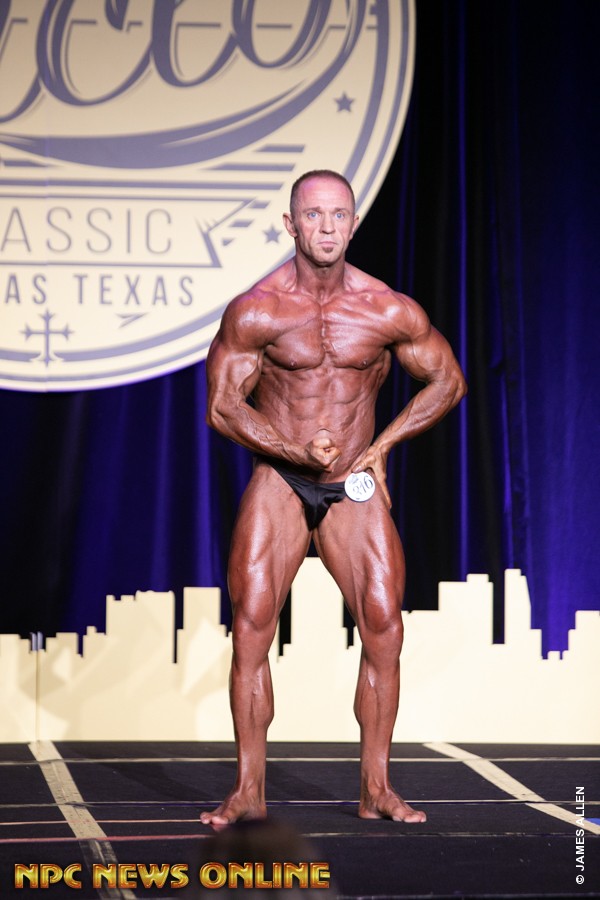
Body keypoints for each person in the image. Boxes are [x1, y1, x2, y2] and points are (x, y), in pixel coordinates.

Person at [202, 170, 467, 830]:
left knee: (385, 624)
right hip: (281, 479)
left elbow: (448, 381)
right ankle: (248, 790)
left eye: (338, 215)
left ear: (353, 223)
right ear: (290, 225)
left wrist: (383, 445)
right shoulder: (257, 310)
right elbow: (223, 406)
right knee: (252, 623)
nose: (326, 227)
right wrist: (293, 450)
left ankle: (376, 788)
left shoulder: (387, 309)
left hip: (352, 480)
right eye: (313, 215)